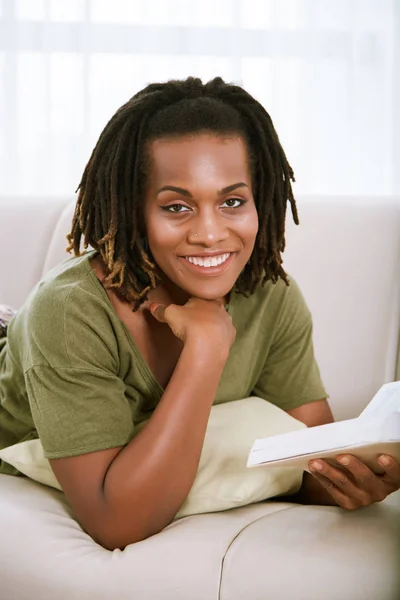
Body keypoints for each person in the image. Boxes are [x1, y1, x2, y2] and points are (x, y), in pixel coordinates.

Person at [0, 77, 399, 551]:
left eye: (232, 202)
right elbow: (117, 522)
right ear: (134, 211)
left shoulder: (271, 297)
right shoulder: (71, 313)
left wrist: (348, 480)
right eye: (176, 206)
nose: (210, 234)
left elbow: (309, 454)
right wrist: (206, 350)